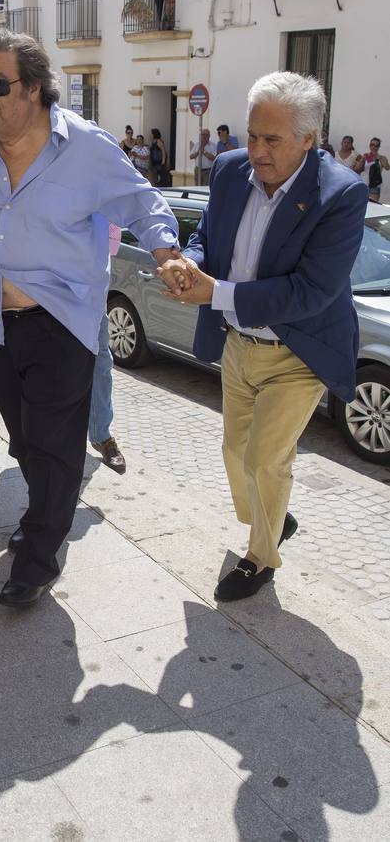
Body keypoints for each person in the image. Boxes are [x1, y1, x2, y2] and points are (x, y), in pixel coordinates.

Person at [0, 29, 180, 609]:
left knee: (53, 445)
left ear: (33, 89)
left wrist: (167, 250)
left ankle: (38, 559)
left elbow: (143, 202)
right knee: (27, 442)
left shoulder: (87, 148)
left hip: (60, 323)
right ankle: (44, 511)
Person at [158, 71, 368, 602]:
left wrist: (216, 292)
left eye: (271, 140)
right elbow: (207, 237)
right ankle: (273, 518)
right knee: (235, 453)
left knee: (265, 461)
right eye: (252, 135)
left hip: (298, 350)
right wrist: (191, 264)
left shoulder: (341, 194)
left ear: (308, 139)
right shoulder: (229, 171)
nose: (256, 150)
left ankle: (260, 558)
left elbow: (311, 291)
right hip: (238, 345)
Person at [88, 222, 126, 473]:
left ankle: (102, 437)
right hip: (52, 304)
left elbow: (113, 240)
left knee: (101, 367)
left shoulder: (102, 192)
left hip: (94, 303)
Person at [358, 137, 389, 202]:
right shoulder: (366, 156)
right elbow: (357, 169)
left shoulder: (382, 157)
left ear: (379, 147)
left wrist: (379, 158)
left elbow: (387, 168)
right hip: (363, 183)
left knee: (372, 205)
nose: (373, 147)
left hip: (375, 185)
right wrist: (362, 160)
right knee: (361, 203)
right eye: (371, 145)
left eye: (376, 145)